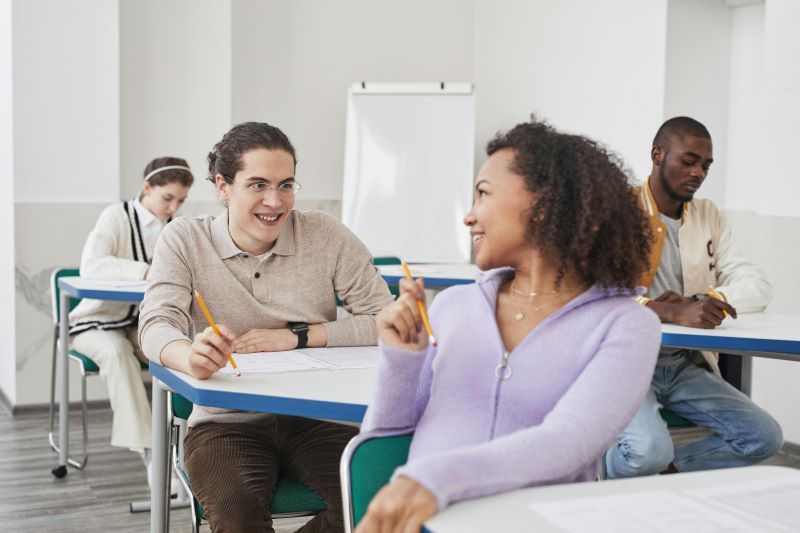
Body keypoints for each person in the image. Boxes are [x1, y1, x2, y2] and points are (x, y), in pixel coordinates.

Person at [355, 120, 662, 533]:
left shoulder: (626, 325)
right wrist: (401, 360)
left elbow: (567, 443)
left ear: (545, 204)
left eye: (483, 194)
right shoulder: (452, 307)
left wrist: (435, 480)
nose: (469, 216)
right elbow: (383, 440)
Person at [138, 122, 394, 532]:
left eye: (286, 185)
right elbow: (154, 324)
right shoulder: (184, 238)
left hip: (319, 417)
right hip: (226, 424)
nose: (275, 201)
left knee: (382, 503)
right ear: (223, 187)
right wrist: (189, 355)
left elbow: (387, 321)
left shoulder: (325, 234)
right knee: (238, 519)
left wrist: (297, 337)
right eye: (257, 185)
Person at [604, 116, 783, 479]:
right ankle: (600, 477)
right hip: (626, 361)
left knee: (764, 438)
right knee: (646, 452)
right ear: (658, 155)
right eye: (689, 161)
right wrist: (669, 311)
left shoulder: (708, 215)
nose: (699, 172)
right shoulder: (618, 211)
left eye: (706, 165)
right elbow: (596, 295)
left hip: (684, 364)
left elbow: (757, 285)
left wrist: (700, 298)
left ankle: (668, 476)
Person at [69, 157, 193, 481]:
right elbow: (92, 265)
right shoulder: (116, 216)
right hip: (95, 322)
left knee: (179, 352)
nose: (173, 207)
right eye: (167, 198)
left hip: (141, 326)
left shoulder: (176, 228)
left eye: (180, 201)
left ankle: (185, 444)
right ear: (147, 187)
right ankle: (152, 452)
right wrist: (147, 270)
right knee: (115, 352)